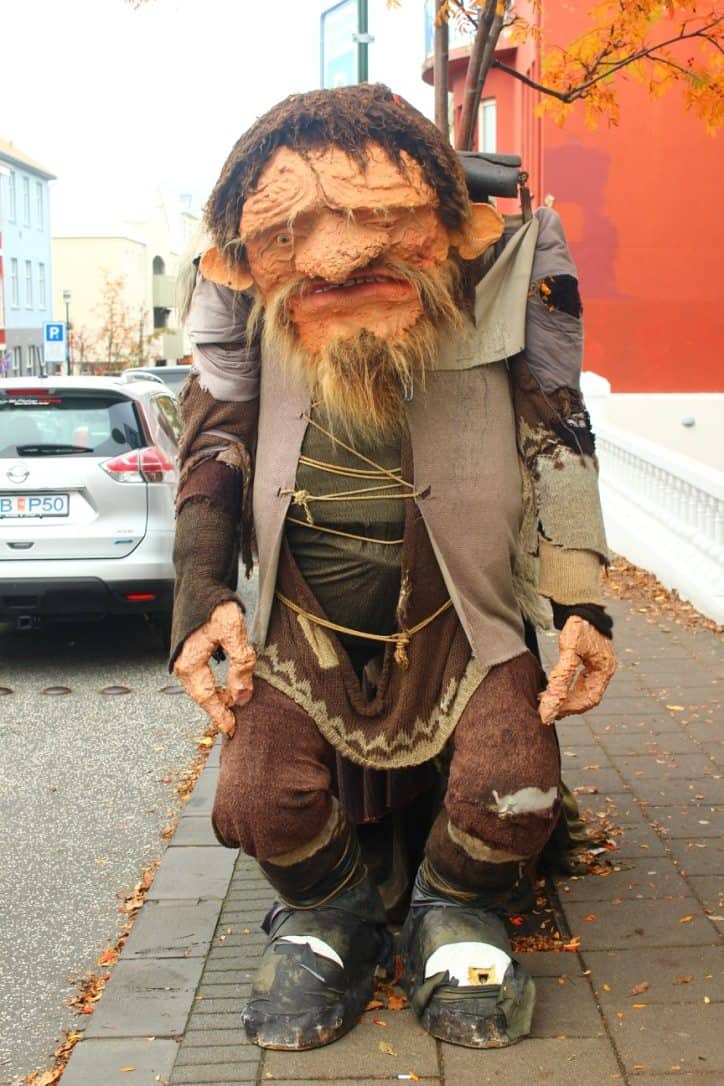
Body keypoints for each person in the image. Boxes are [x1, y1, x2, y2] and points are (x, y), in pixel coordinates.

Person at [170, 84, 616, 1052]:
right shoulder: (242, 299)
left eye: (375, 221)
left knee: (517, 781)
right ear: (246, 253)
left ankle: (454, 907)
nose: (335, 257)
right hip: (304, 618)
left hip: (460, 609)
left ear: (452, 230)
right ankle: (334, 915)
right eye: (293, 232)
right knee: (253, 797)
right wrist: (202, 596)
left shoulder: (504, 269)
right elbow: (214, 444)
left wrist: (581, 603)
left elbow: (557, 430)